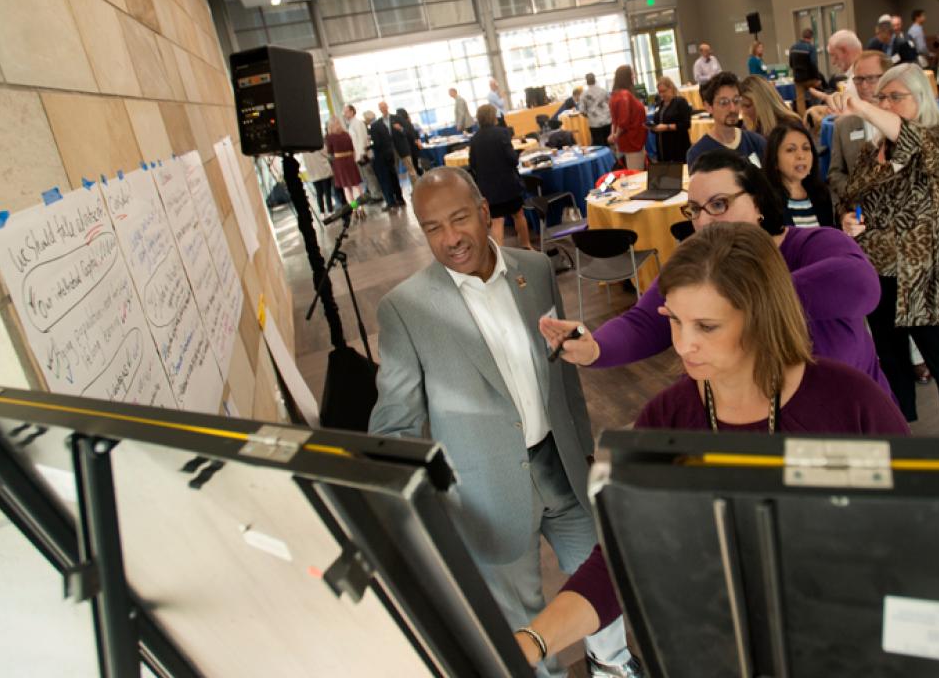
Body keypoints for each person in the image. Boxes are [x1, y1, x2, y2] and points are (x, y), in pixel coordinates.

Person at [516, 222, 908, 668]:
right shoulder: (664, 421)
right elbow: (623, 557)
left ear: (762, 314)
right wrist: (533, 641)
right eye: (675, 322)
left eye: (707, 326)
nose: (683, 345)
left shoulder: (851, 403)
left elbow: (920, 531)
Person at [369, 167, 637, 678]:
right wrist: (419, 503)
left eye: (459, 219)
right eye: (432, 228)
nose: (450, 239)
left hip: (560, 466)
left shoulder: (534, 271)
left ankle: (614, 665)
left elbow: (565, 376)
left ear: (485, 212)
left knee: (600, 583)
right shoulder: (404, 309)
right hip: (484, 497)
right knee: (521, 619)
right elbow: (395, 424)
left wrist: (582, 447)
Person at [540, 148, 892, 398]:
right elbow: (644, 321)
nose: (704, 221)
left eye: (720, 204)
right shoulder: (698, 267)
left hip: (859, 433)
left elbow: (861, 285)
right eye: (694, 210)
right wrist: (594, 347)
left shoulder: (813, 245)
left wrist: (733, 303)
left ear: (757, 203)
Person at [833, 64, 939, 435]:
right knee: (892, 361)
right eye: (882, 97)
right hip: (878, 274)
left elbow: (913, 141)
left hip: (923, 275)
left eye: (895, 97)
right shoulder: (872, 152)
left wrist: (863, 107)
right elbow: (852, 198)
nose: (886, 103)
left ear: (920, 99)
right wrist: (849, 218)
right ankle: (901, 436)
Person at [828, 51, 892, 202]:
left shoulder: (903, 120)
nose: (863, 85)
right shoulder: (843, 124)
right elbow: (835, 173)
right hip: (860, 213)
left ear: (888, 78)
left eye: (870, 79)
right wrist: (856, 194)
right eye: (858, 79)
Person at [468, 104, 534, 250]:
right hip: (508, 185)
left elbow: (472, 164)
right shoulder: (502, 133)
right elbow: (512, 159)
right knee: (518, 215)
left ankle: (501, 256)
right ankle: (526, 246)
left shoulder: (474, 139)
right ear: (493, 117)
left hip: (488, 189)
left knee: (497, 221)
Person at [686, 71, 768, 167]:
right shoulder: (699, 153)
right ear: (708, 106)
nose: (732, 109)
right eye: (724, 102)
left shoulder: (756, 142)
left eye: (736, 101)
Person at [765, 122, 832, 228]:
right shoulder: (765, 202)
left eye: (806, 148)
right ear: (774, 161)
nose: (801, 156)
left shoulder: (822, 195)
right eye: (790, 150)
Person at [608, 64, 647, 170]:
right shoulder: (625, 95)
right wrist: (616, 135)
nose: (634, 77)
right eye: (632, 74)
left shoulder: (615, 95)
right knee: (636, 174)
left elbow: (615, 120)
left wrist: (614, 135)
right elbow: (623, 121)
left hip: (625, 141)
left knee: (629, 171)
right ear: (627, 76)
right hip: (632, 141)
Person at [364, 109, 405, 210]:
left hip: (380, 157)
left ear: (367, 119)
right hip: (389, 154)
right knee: (393, 177)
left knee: (384, 180)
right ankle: (399, 198)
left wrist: (369, 146)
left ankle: (390, 202)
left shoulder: (373, 127)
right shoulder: (382, 124)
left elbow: (376, 143)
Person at [650, 75, 692, 163]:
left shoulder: (680, 102)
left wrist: (667, 127)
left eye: (664, 91)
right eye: (659, 92)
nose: (661, 94)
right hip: (662, 149)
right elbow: (656, 122)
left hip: (678, 147)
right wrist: (652, 127)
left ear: (671, 88)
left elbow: (686, 124)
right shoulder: (659, 104)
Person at [323, 116, 362, 207]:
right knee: (356, 185)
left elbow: (330, 152)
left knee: (346, 188)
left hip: (339, 163)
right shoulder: (346, 134)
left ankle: (354, 207)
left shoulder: (329, 137)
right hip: (350, 161)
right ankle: (361, 206)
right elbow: (352, 149)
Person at [380, 101, 417, 189]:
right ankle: (399, 193)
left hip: (402, 148)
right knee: (394, 172)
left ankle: (416, 188)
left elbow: (407, 132)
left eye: (384, 106)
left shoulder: (397, 118)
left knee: (411, 170)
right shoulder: (380, 122)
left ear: (387, 107)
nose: (383, 109)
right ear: (379, 109)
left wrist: (400, 128)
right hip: (390, 150)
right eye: (381, 107)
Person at [344, 103, 376, 201]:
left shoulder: (358, 123)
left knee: (369, 175)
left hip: (362, 154)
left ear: (352, 112)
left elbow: (362, 138)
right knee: (365, 176)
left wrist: (362, 153)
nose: (345, 114)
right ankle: (371, 193)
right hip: (357, 155)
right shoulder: (351, 125)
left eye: (346, 112)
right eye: (344, 112)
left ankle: (376, 194)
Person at [789, 27, 822, 115]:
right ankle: (816, 115)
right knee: (815, 95)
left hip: (798, 79)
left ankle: (804, 119)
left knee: (800, 101)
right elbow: (813, 63)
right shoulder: (811, 48)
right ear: (811, 38)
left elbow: (791, 64)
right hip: (810, 79)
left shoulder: (793, 47)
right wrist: (817, 78)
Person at [300, 147, 334, 214]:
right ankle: (330, 211)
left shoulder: (303, 149)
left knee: (319, 194)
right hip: (324, 171)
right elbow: (326, 154)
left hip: (313, 174)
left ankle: (322, 212)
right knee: (327, 193)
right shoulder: (317, 145)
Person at [581, 73, 612, 147]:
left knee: (598, 144)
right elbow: (610, 103)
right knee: (608, 142)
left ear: (586, 81)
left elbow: (582, 110)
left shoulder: (584, 94)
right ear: (595, 80)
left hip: (594, 123)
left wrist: (589, 115)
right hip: (607, 120)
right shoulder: (603, 91)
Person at [394, 107, 425, 178]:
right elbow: (415, 133)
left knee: (414, 166)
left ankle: (421, 179)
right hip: (413, 146)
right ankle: (422, 177)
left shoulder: (402, 124)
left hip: (409, 147)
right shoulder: (408, 122)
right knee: (415, 165)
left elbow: (411, 134)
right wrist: (417, 141)